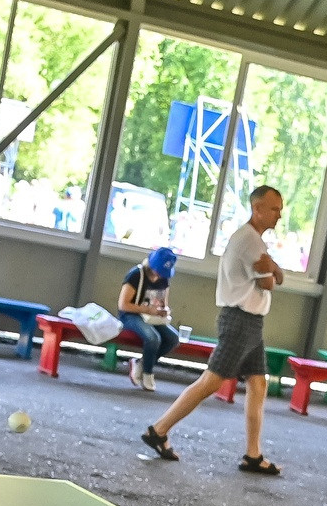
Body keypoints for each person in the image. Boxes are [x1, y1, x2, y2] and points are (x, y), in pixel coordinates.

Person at [141, 184, 284, 476]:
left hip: (251, 322)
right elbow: (268, 282)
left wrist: (275, 270)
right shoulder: (250, 241)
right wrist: (274, 271)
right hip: (240, 321)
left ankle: (253, 455)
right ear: (257, 209)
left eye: (280, 210)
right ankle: (159, 429)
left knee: (258, 384)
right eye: (274, 209)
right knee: (211, 382)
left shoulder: (252, 240)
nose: (278, 215)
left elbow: (274, 274)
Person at [116, 247, 180, 391]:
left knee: (173, 338)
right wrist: (146, 309)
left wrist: (164, 311)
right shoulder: (135, 275)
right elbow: (123, 304)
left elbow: (164, 302)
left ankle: (141, 363)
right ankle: (148, 373)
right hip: (130, 315)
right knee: (153, 338)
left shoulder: (164, 279)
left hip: (152, 317)